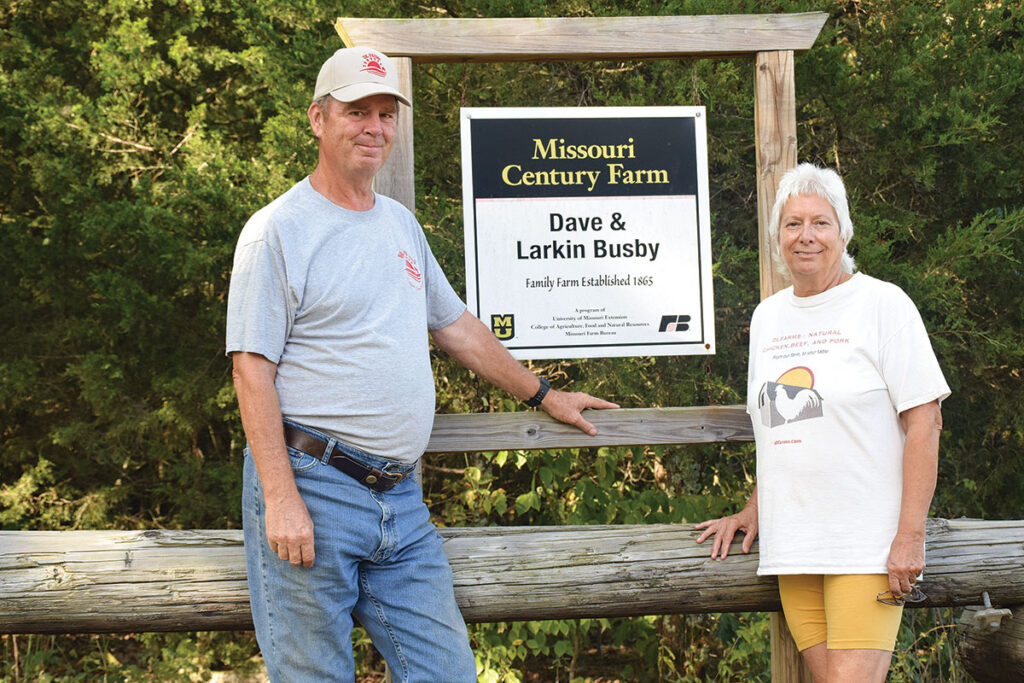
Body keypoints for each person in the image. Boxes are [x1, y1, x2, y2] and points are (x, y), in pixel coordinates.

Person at [225, 46, 618, 682]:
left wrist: (545, 395)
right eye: (357, 111)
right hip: (313, 483)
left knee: (448, 673)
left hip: (400, 500)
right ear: (318, 119)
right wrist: (280, 498)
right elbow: (251, 370)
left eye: (385, 114)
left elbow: (457, 328)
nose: (373, 127)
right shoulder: (277, 231)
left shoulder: (399, 225)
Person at [695, 163, 949, 682]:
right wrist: (753, 508)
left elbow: (926, 422)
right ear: (777, 238)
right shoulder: (767, 317)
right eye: (792, 224)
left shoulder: (882, 304)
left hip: (866, 546)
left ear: (844, 231)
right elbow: (780, 430)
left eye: (820, 223)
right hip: (794, 549)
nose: (805, 236)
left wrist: (910, 536)